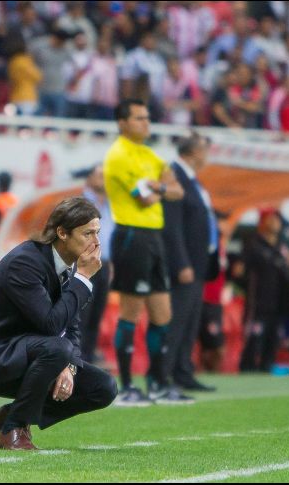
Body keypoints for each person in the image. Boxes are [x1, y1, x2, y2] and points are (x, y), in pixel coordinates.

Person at [0, 197, 116, 450]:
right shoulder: (25, 262)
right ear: (62, 233)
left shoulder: (71, 267)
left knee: (103, 387)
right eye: (87, 233)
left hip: (36, 356)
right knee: (58, 349)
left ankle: (12, 415)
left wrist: (70, 368)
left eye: (97, 233)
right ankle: (12, 430)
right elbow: (50, 324)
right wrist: (84, 279)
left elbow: (72, 328)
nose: (96, 242)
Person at [103, 99, 184, 406]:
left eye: (148, 118)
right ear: (122, 123)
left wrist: (160, 187)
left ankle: (158, 384)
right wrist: (160, 189)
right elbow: (143, 198)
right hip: (131, 235)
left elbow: (176, 191)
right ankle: (125, 387)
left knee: (163, 313)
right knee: (130, 312)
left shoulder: (150, 154)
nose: (146, 124)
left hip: (154, 236)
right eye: (139, 118)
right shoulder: (118, 156)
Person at [162, 132, 218, 393]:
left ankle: (183, 371)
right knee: (177, 320)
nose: (207, 155)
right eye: (204, 149)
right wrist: (181, 263)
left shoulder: (193, 181)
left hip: (198, 263)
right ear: (192, 152)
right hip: (185, 265)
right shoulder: (175, 176)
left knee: (190, 321)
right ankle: (164, 374)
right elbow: (172, 226)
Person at [239, 208, 289, 372]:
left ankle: (266, 369)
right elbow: (240, 272)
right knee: (254, 340)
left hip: (279, 302)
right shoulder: (253, 244)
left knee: (273, 341)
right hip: (258, 302)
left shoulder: (283, 247)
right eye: (271, 219)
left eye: (277, 219)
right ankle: (247, 370)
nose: (275, 223)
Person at [78, 165, 114, 364]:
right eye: (100, 175)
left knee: (96, 316)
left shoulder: (108, 204)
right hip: (86, 261)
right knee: (82, 313)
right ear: (89, 178)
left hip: (104, 263)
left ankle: (88, 360)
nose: (103, 180)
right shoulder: (82, 203)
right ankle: (76, 361)